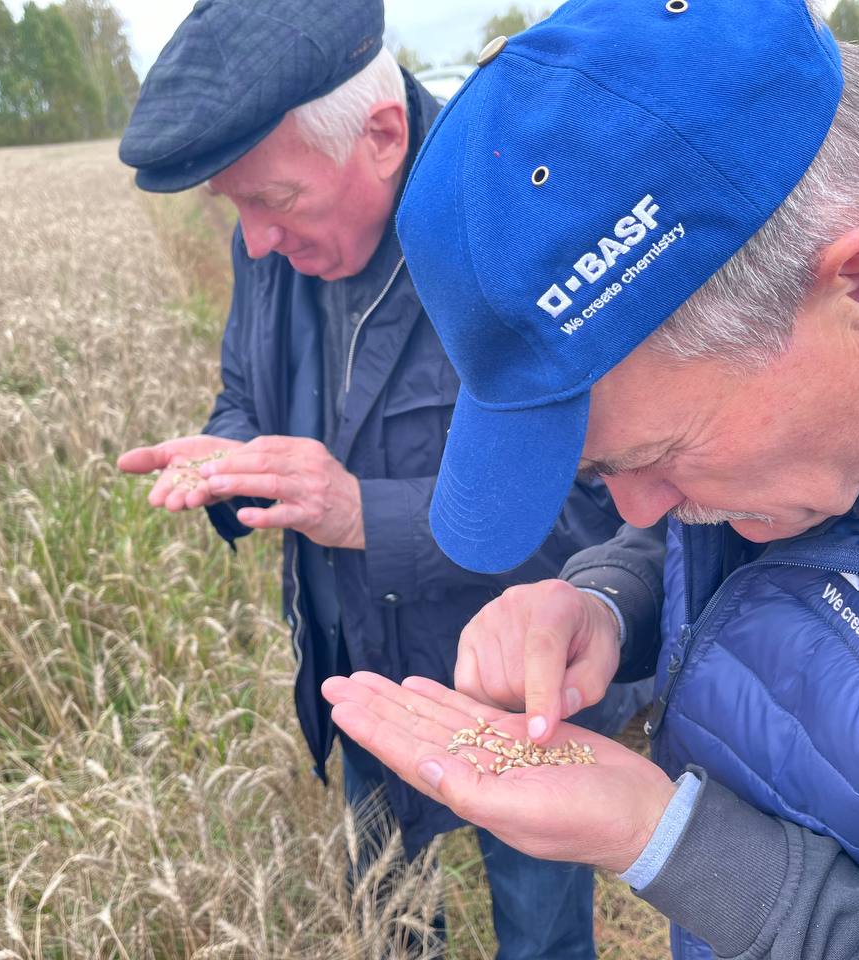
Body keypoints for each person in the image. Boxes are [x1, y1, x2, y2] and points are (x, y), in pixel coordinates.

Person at [321, 3, 859, 958]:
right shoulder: (810, 358)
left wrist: (666, 840)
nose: (633, 508)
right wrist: (608, 599)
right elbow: (721, 524)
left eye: (650, 459)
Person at [115, 1, 650, 956]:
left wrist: (364, 512)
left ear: (383, 136)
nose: (255, 240)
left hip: (506, 698)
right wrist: (227, 459)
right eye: (233, 208)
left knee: (541, 935)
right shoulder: (269, 240)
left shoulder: (520, 229)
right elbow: (246, 392)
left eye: (274, 201)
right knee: (392, 931)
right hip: (352, 674)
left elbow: (609, 514)